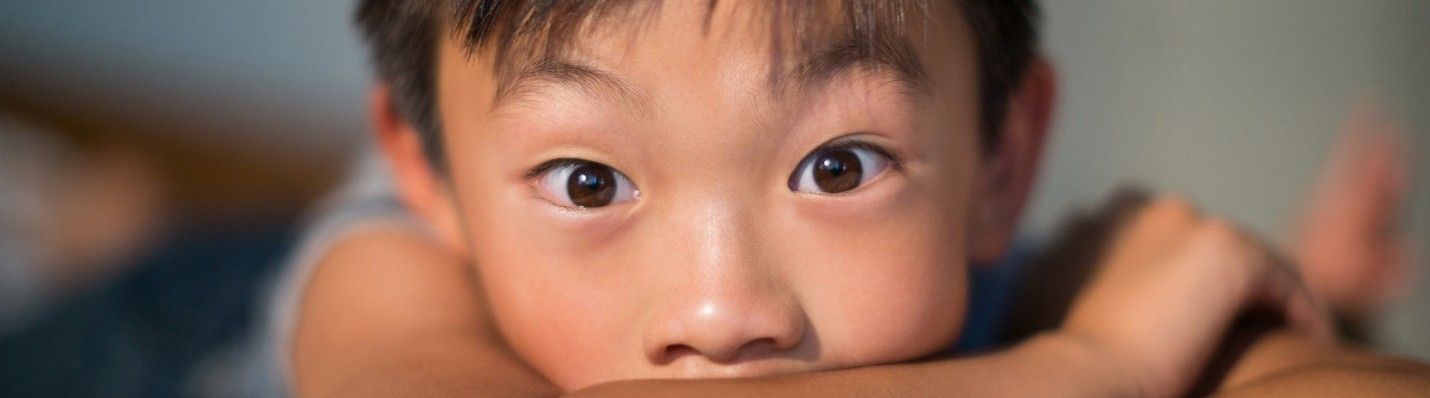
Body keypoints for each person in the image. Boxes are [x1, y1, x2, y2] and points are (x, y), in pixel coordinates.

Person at [279, 1, 1430, 396]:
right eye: (589, 181)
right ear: (426, 170)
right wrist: (1099, 365)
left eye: (837, 166)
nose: (725, 310)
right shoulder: (390, 264)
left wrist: (1270, 323)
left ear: (999, 160)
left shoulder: (1077, 270)